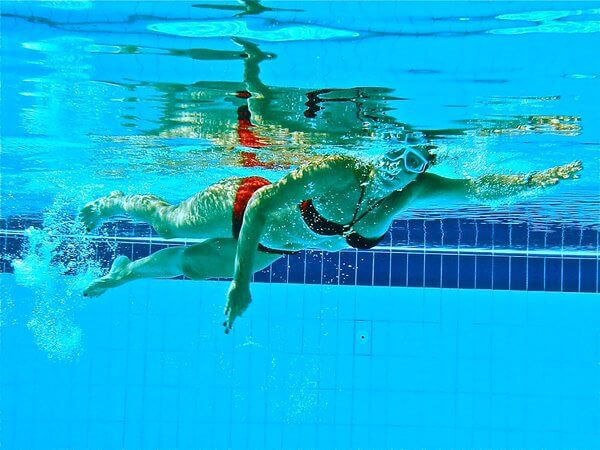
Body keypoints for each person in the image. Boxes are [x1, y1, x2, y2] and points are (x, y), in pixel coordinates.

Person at [80, 147, 582, 332]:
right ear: (384, 152)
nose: (398, 173)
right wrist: (239, 284)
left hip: (277, 247)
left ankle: (123, 275)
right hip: (246, 204)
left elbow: (480, 190)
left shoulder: (410, 189)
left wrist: (541, 179)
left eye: (414, 167)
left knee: (186, 266)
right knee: (169, 224)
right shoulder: (340, 169)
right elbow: (260, 205)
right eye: (396, 159)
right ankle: (116, 202)